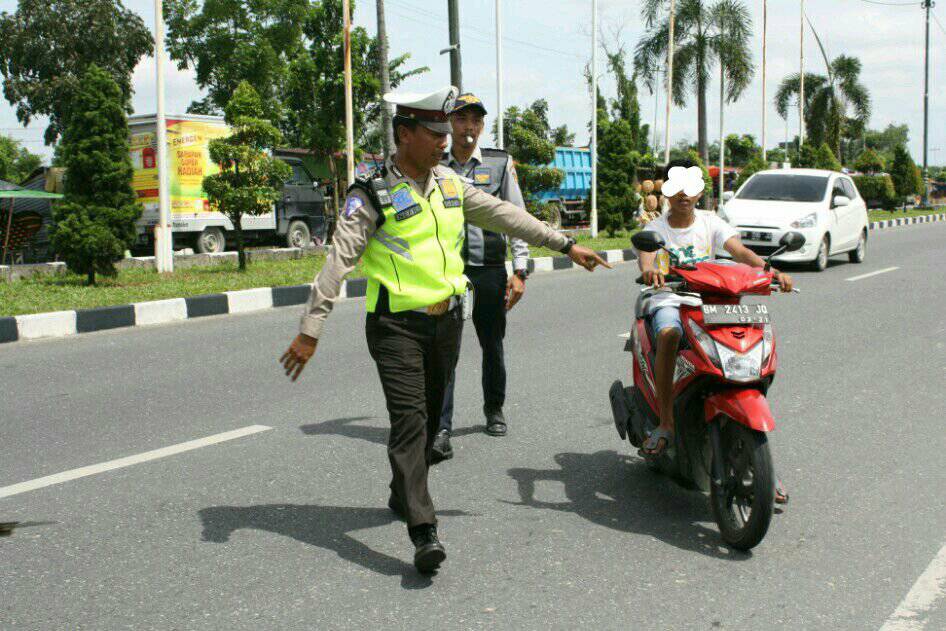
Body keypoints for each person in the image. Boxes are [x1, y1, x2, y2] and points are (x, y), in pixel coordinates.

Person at [279, 86, 610, 574]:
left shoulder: (451, 185)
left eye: (445, 132)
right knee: (410, 423)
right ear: (404, 134)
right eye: (434, 132)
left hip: (447, 321)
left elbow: (508, 216)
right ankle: (423, 530)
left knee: (432, 426)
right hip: (394, 326)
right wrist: (311, 328)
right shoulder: (369, 193)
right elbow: (338, 263)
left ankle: (402, 491)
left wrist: (565, 245)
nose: (445, 140)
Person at [636, 158, 792, 505]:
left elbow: (739, 251)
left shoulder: (711, 222)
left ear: (699, 191)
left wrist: (770, 269)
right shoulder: (657, 230)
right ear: (665, 189)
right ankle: (666, 423)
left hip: (711, 303)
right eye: (676, 186)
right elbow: (647, 259)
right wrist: (651, 273)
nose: (683, 196)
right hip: (670, 301)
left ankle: (756, 456)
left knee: (752, 347)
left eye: (690, 188)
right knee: (667, 335)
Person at [431, 93, 529, 462]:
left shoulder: (500, 164)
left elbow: (515, 217)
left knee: (493, 344)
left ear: (482, 126)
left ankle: (494, 409)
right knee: (444, 351)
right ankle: (441, 427)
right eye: (461, 119)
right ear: (450, 124)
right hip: (446, 273)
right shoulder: (434, 163)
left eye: (475, 120)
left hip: (489, 270)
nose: (468, 127)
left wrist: (519, 270)